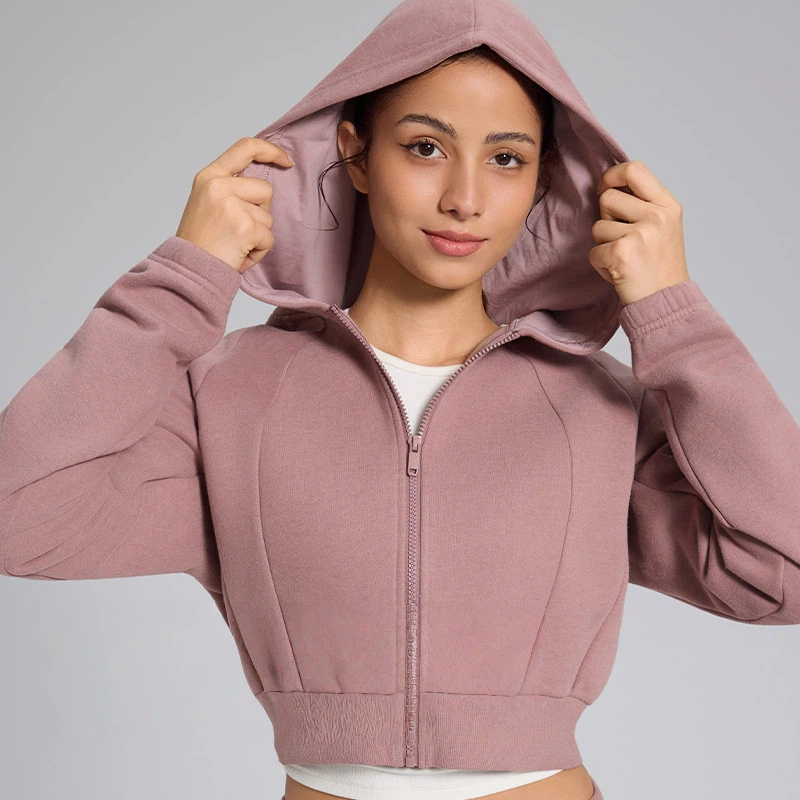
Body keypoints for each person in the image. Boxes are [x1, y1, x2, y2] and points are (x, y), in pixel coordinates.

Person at [2, 1, 799, 799]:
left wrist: (675, 319)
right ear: (355, 154)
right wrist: (183, 281)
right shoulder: (231, 395)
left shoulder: (599, 410)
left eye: (507, 158)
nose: (464, 198)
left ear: (545, 179)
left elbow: (783, 572)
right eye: (426, 147)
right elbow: (18, 522)